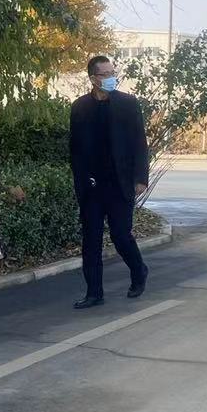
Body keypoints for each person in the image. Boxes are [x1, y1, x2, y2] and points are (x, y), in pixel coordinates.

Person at [68, 55, 151, 309]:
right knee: (91, 239)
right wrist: (80, 182)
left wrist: (141, 178)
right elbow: (75, 149)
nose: (111, 78)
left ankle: (139, 271)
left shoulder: (127, 104)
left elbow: (139, 142)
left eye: (112, 73)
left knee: (120, 235)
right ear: (93, 78)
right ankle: (94, 292)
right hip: (92, 185)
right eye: (105, 74)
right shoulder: (80, 107)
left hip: (120, 183)